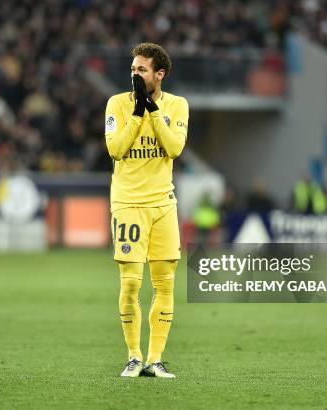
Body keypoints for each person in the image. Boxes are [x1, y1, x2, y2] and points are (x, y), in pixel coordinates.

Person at [104, 43, 189, 378]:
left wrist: (151, 109)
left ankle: (155, 359)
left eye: (141, 70)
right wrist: (138, 112)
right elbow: (116, 149)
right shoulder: (117, 104)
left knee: (165, 286)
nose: (134, 74)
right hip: (128, 204)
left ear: (159, 74)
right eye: (133, 69)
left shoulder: (178, 105)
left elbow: (174, 147)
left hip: (163, 205)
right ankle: (134, 357)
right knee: (130, 285)